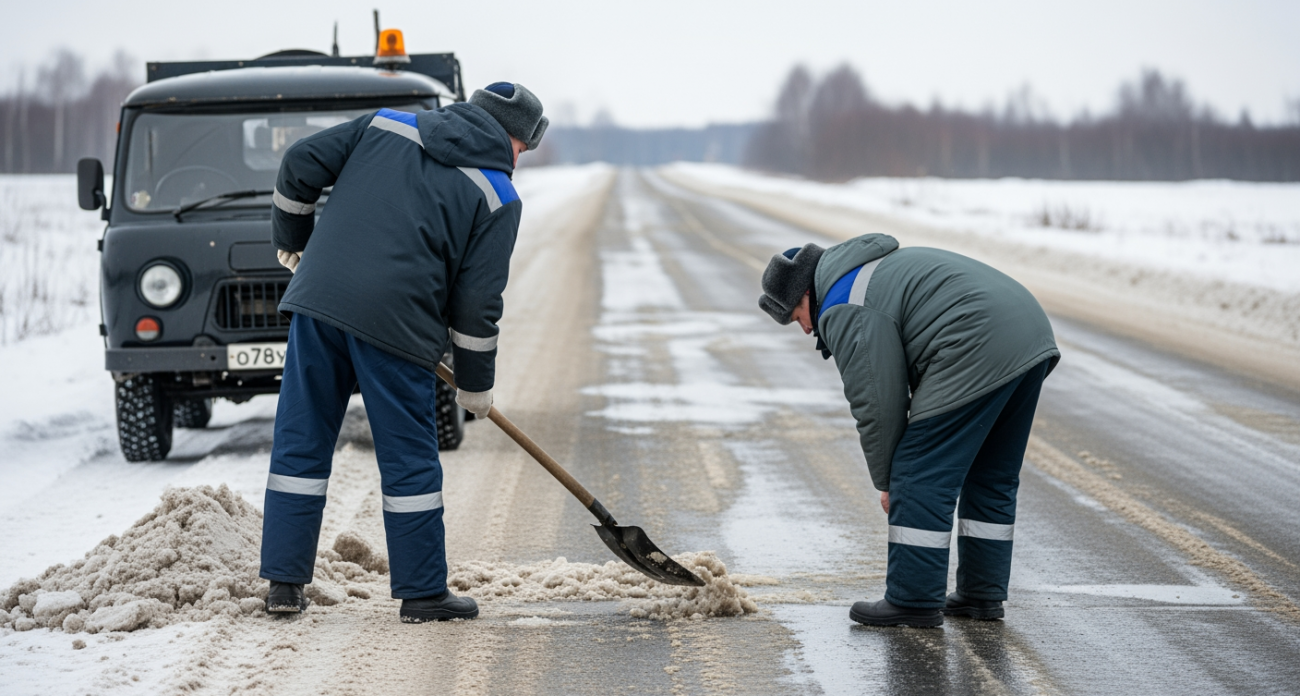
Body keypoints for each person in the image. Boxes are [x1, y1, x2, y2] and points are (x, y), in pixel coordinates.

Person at [259, 82, 547, 623]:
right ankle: (422, 594)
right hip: (398, 327)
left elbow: (299, 162)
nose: (519, 159)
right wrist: (475, 384)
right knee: (408, 460)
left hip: (318, 304)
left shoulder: (386, 124)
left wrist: (293, 239)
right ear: (513, 137)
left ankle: (283, 585)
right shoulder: (497, 195)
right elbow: (477, 304)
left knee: (300, 442)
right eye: (523, 148)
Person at [758, 234, 1059, 627]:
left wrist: (890, 481)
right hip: (1030, 334)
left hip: (975, 338)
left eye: (796, 316)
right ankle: (981, 595)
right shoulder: (865, 275)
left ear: (804, 293)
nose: (803, 329)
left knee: (918, 470)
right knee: (991, 474)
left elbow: (877, 401)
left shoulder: (843, 303)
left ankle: (913, 600)